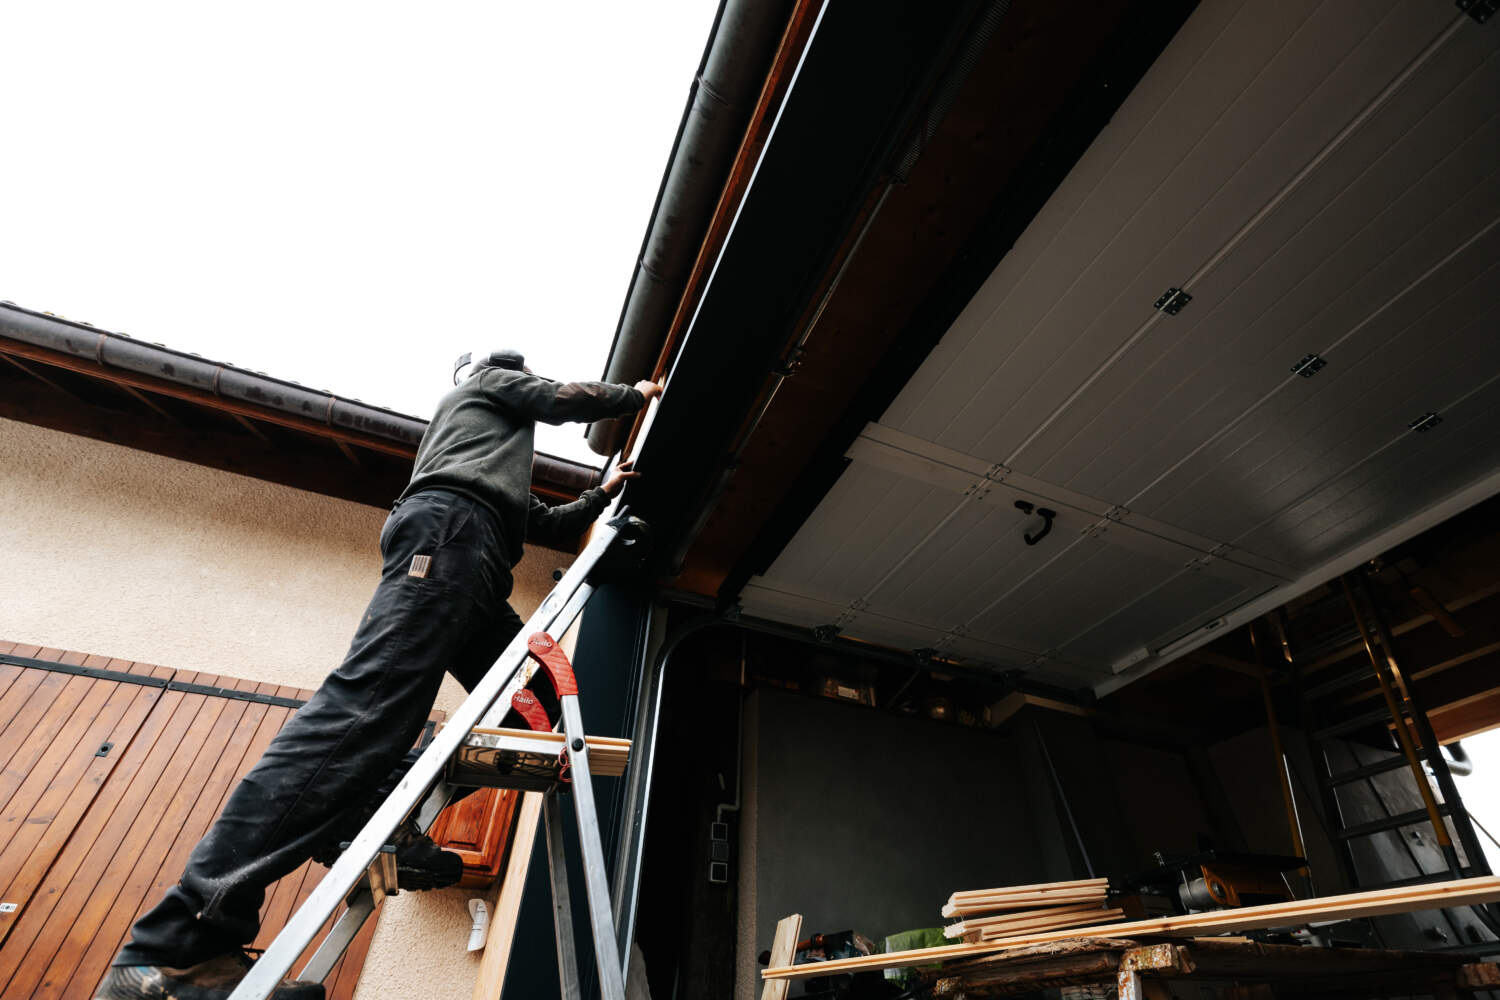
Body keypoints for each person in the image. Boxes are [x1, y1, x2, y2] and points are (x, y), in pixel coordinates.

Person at [98, 349, 661, 1000]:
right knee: (364, 709)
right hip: (449, 535)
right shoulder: (486, 385)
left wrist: (601, 496)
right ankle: (173, 952)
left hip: (474, 558)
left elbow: (544, 521)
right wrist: (635, 395)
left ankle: (368, 801)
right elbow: (559, 397)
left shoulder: (492, 456)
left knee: (533, 695)